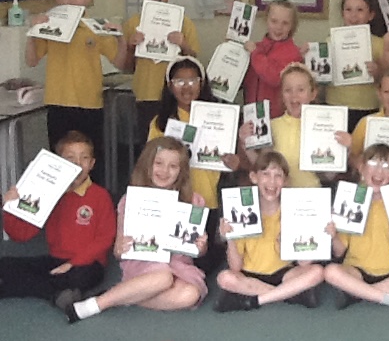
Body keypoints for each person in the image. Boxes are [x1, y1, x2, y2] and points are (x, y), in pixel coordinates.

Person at [66, 137, 209, 323]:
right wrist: (122, 247)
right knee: (163, 278)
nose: (164, 171)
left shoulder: (193, 201)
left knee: (190, 295)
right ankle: (99, 303)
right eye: (158, 163)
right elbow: (118, 252)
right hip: (144, 264)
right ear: (147, 165)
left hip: (180, 265)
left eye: (173, 166)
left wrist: (201, 246)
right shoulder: (130, 200)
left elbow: (198, 252)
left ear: (181, 171)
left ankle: (125, 295)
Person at [25, 0, 127, 184]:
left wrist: (121, 39)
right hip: (58, 104)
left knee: (90, 162)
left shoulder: (94, 28)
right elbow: (31, 60)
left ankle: (92, 208)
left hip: (90, 105)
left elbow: (121, 64)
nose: (71, 1)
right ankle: (62, 209)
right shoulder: (49, 25)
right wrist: (33, 32)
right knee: (59, 162)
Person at [0, 131, 116, 309]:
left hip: (87, 263)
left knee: (81, 276)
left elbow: (105, 239)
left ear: (92, 163)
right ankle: (57, 293)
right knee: (6, 264)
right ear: (59, 163)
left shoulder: (100, 196)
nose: (77, 163)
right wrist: (10, 208)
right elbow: (20, 235)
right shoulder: (48, 194)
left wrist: (72, 263)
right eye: (70, 158)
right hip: (56, 260)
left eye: (84, 158)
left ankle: (26, 289)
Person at [323, 144, 389, 311]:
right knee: (331, 272)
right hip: (356, 270)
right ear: (361, 167)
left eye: (386, 167)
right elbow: (339, 252)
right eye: (373, 164)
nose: (379, 172)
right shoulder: (350, 199)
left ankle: (357, 293)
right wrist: (333, 235)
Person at [214, 151, 326, 311]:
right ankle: (289, 294)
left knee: (317, 271)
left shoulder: (294, 209)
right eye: (265, 174)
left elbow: (303, 263)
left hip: (284, 273)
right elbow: (235, 267)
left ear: (285, 181)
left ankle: (256, 299)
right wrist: (230, 238)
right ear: (254, 177)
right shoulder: (242, 209)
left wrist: (288, 248)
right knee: (224, 278)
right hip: (250, 274)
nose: (272, 182)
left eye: (278, 176)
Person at [147, 56, 228, 272]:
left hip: (206, 201)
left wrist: (232, 160)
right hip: (172, 200)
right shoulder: (160, 122)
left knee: (202, 263)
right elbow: (149, 163)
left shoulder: (218, 117)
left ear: (202, 83)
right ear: (169, 86)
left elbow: (233, 162)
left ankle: (216, 246)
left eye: (192, 80)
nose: (186, 86)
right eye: (179, 81)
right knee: (168, 256)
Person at [122, 0, 200, 153]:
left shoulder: (184, 23)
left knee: (178, 150)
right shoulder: (133, 23)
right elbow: (126, 67)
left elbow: (196, 63)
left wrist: (183, 44)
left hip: (177, 97)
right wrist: (131, 47)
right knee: (149, 151)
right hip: (145, 97)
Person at [266, 63, 350, 188]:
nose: (294, 96)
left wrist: (346, 149)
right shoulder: (272, 126)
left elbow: (328, 176)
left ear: (313, 94)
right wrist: (246, 142)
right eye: (288, 90)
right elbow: (262, 167)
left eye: (301, 90)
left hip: (313, 197)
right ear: (282, 94)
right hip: (280, 197)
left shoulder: (325, 126)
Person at [327, 0, 386, 131]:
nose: (353, 15)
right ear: (342, 13)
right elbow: (320, 75)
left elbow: (388, 78)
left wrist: (377, 72)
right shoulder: (331, 41)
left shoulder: (380, 44)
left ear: (371, 15)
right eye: (348, 9)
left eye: (360, 10)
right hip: (336, 104)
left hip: (368, 106)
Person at [242, 0, 303, 120]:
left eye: (285, 23)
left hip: (277, 118)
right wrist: (231, 50)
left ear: (292, 26)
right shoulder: (256, 48)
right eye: (274, 21)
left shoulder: (293, 53)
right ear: (266, 20)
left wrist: (255, 53)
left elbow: (274, 77)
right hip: (251, 114)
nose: (279, 27)